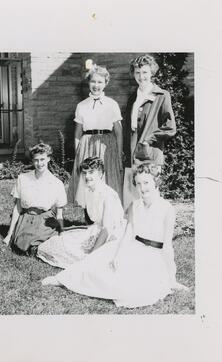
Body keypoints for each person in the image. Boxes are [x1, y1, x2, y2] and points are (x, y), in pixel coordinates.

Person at [41, 163, 188, 309]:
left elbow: (167, 246)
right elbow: (128, 234)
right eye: (138, 184)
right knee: (97, 263)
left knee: (128, 286)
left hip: (152, 254)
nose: (142, 188)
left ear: (156, 182)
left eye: (146, 183)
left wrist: (172, 278)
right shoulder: (134, 206)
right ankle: (62, 279)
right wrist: (118, 255)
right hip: (132, 247)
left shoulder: (167, 209)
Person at [37, 157, 126, 268]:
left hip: (112, 234)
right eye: (84, 173)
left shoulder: (108, 195)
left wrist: (93, 253)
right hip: (96, 230)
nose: (87, 176)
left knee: (87, 256)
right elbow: (93, 221)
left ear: (101, 174)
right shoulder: (88, 190)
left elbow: (107, 229)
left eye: (91, 172)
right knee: (55, 243)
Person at [123, 54, 176, 211]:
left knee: (149, 197)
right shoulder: (133, 97)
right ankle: (132, 232)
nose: (141, 76)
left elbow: (170, 127)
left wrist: (149, 139)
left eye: (145, 72)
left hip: (149, 152)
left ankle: (152, 233)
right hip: (131, 151)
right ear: (133, 74)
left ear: (152, 72)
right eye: (137, 72)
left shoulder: (161, 95)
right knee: (131, 198)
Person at [68, 63, 123, 207]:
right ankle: (89, 216)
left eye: (100, 82)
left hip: (107, 145)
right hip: (87, 144)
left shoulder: (112, 104)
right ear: (88, 82)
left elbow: (119, 131)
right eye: (93, 81)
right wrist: (78, 153)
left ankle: (108, 215)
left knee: (107, 178)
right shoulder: (81, 105)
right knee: (88, 179)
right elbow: (78, 132)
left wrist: (118, 153)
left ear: (106, 83)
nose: (96, 85)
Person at [2, 142, 67, 255]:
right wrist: (8, 234)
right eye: (36, 160)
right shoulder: (23, 179)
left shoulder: (56, 183)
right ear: (32, 161)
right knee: (22, 245)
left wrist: (62, 233)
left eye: (42, 159)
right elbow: (17, 209)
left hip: (45, 219)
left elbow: (59, 214)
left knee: (43, 245)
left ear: (48, 159)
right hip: (26, 218)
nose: (39, 163)